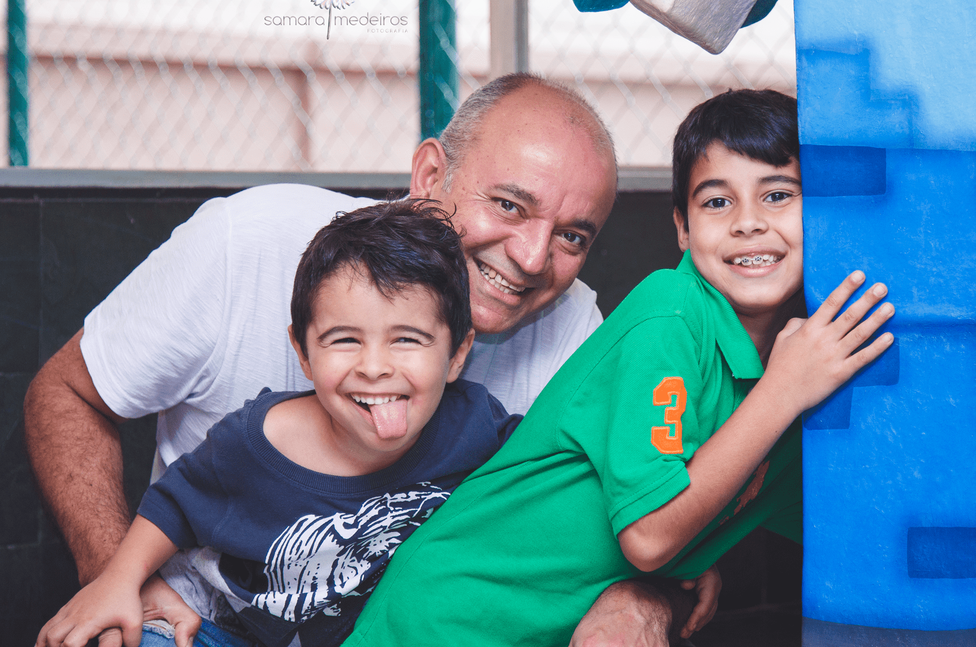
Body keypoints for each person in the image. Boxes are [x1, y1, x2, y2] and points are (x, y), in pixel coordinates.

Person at [23, 73, 711, 647]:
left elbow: (640, 513)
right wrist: (117, 579)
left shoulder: (574, 336)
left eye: (572, 236)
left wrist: (644, 597)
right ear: (430, 174)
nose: (532, 258)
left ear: (456, 356)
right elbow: (68, 393)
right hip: (195, 622)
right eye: (507, 204)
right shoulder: (251, 245)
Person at [343, 89, 897, 646]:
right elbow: (649, 536)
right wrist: (782, 391)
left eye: (778, 194)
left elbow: (855, 528)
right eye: (717, 202)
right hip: (436, 625)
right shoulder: (672, 316)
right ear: (681, 227)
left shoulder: (807, 361)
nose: (748, 223)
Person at [37, 199, 522, 647]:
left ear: (457, 354)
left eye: (407, 340)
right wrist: (118, 581)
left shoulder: (474, 426)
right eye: (344, 340)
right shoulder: (256, 439)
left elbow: (562, 462)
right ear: (303, 353)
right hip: (224, 632)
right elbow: (175, 504)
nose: (375, 367)